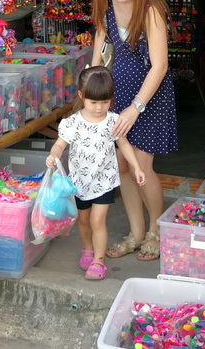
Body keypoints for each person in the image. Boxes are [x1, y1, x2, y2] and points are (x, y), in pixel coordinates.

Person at [89, 0, 177, 262]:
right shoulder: (105, 9)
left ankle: (155, 229)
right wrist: (91, 99)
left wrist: (135, 107)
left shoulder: (150, 9)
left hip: (148, 98)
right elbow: (97, 58)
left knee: (141, 166)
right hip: (118, 96)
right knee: (122, 165)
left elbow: (160, 66)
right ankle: (136, 233)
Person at [46, 67, 146, 280]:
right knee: (83, 221)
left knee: (97, 221)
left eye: (105, 102)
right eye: (94, 102)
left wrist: (137, 167)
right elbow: (59, 144)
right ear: (81, 96)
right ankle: (88, 248)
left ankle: (99, 261)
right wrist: (53, 155)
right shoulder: (72, 123)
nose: (100, 108)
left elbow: (125, 146)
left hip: (104, 181)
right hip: (79, 183)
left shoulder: (113, 121)